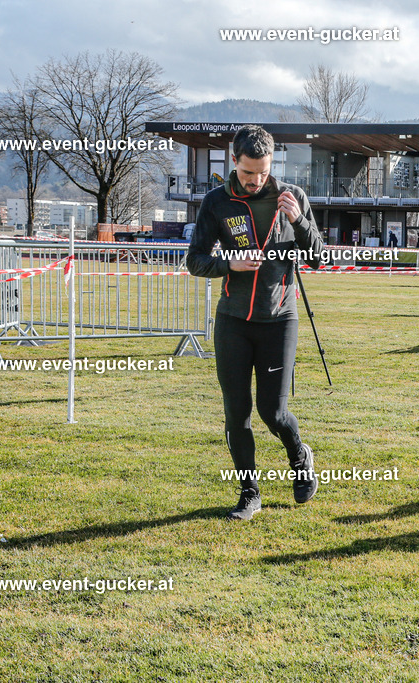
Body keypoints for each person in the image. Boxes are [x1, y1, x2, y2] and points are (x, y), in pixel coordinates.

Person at [187, 124, 326, 521]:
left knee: (273, 412)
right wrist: (227, 263)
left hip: (279, 320)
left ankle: (300, 456)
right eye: (249, 173)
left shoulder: (292, 197)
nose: (256, 180)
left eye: (263, 172)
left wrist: (299, 222)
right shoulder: (217, 202)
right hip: (232, 320)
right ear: (234, 162)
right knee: (237, 413)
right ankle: (249, 492)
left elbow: (318, 257)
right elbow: (194, 259)